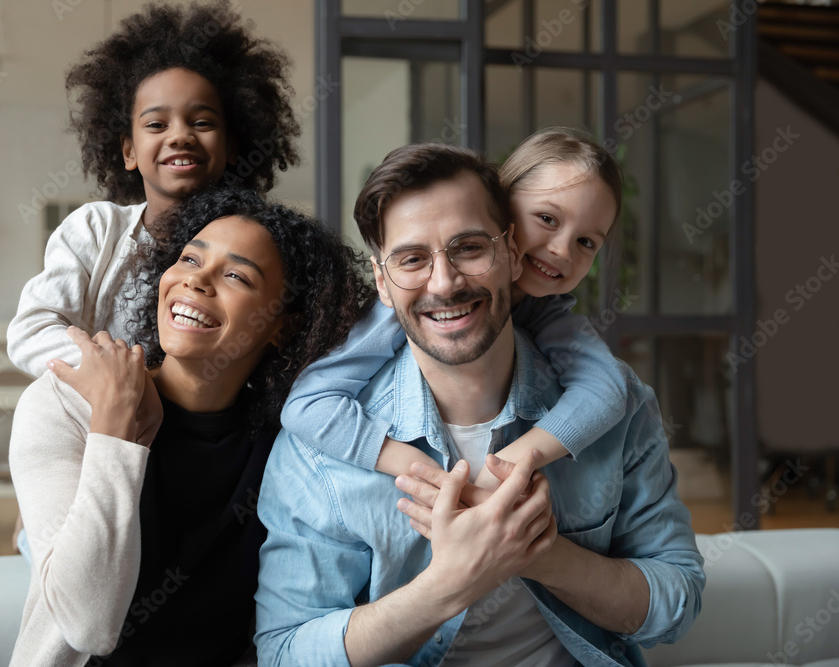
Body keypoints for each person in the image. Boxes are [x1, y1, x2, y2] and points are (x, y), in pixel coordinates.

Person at [255, 143, 704, 666]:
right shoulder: (322, 443)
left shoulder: (612, 400)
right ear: (381, 279)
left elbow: (678, 602)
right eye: (412, 259)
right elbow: (284, 655)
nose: (444, 284)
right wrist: (448, 585)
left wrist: (540, 553)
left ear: (513, 253)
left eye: (469, 247)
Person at [7, 187, 373, 666]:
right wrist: (113, 432)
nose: (196, 281)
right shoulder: (62, 407)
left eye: (237, 275)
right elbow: (89, 624)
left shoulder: (288, 451)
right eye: (188, 259)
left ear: (283, 326)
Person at [279, 128, 629, 491]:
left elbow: (605, 392)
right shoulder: (408, 305)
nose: (562, 250)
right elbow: (308, 405)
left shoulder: (550, 313)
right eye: (547, 219)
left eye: (586, 241)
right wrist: (425, 473)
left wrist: (507, 468)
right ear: (502, 216)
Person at [6, 0, 300, 377]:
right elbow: (31, 332)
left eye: (202, 122)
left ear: (231, 148)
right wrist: (135, 380)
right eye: (157, 125)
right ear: (129, 151)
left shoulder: (258, 248)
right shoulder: (96, 231)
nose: (180, 135)